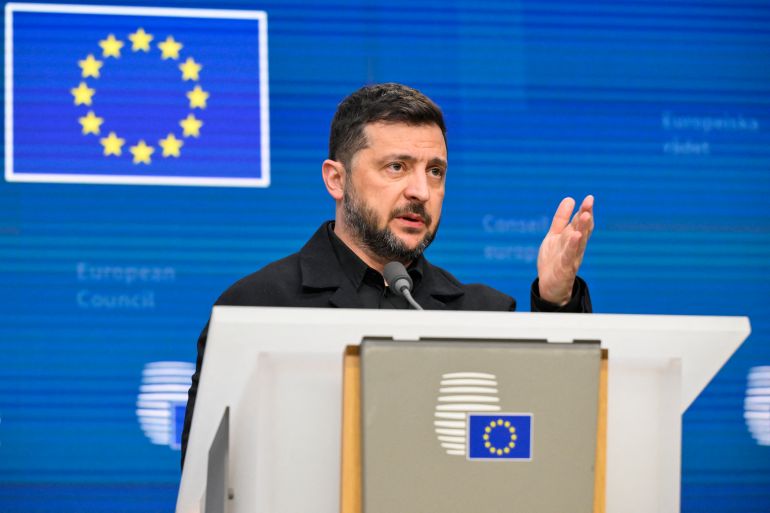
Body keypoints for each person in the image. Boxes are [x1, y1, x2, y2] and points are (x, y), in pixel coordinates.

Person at [180, 83, 594, 466]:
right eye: (397, 167)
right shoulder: (259, 306)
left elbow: (554, 447)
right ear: (336, 179)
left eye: (435, 171)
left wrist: (557, 301)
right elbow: (210, 478)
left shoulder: (483, 313)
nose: (421, 191)